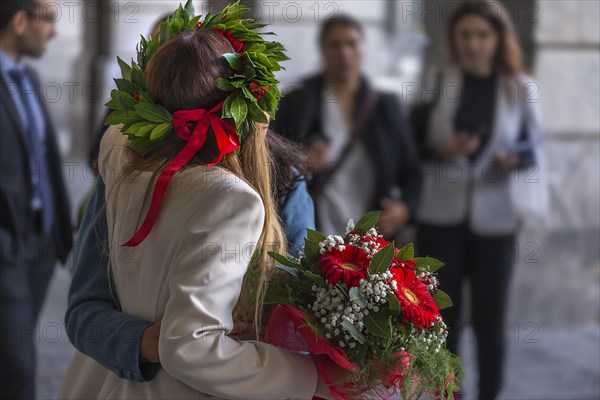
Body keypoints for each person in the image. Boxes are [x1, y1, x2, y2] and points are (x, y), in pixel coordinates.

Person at [59, 22, 337, 399]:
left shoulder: (283, 178)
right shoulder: (226, 197)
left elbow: (301, 299)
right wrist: (147, 340)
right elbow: (86, 311)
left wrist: (264, 318)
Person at [410, 1, 545, 399]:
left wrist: (514, 158)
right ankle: (447, 392)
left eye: (482, 35)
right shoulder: (436, 79)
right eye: (465, 35)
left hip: (497, 219)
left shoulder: (520, 88)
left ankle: (489, 394)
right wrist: (442, 151)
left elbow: (535, 148)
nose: (473, 44)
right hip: (440, 217)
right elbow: (411, 144)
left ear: (499, 38)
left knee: (490, 320)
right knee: (441, 319)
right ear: (454, 38)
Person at [271, 14, 420, 238]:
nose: (344, 53)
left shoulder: (384, 105)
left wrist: (405, 209)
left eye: (352, 43)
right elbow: (270, 158)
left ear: (363, 48)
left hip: (373, 231)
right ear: (322, 49)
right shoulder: (298, 102)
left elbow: (411, 169)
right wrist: (301, 160)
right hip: (314, 227)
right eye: (335, 45)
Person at [0, 1, 73, 398]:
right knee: (17, 367)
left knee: (14, 347)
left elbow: (44, 159)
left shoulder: (25, 76)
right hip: (7, 243)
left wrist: (59, 234)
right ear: (18, 20)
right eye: (47, 20)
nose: (53, 31)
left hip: (40, 244)